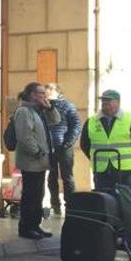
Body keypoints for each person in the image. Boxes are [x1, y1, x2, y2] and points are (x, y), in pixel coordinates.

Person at [80, 89, 131, 261]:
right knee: (104, 210)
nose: (105, 105)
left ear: (117, 102)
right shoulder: (93, 122)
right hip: (102, 171)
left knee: (128, 209)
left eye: (109, 101)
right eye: (103, 101)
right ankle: (104, 251)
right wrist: (99, 160)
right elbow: (85, 145)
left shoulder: (129, 119)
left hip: (125, 171)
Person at [11, 83, 53, 240]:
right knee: (30, 196)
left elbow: (56, 120)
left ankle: (35, 225)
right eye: (40, 93)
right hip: (31, 161)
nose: (43, 96)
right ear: (31, 94)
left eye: (44, 93)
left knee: (38, 195)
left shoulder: (39, 111)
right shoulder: (24, 111)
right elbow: (24, 136)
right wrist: (37, 152)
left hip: (41, 162)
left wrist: (49, 108)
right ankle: (27, 227)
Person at [45, 83, 81, 216]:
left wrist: (69, 142)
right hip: (48, 147)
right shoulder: (42, 106)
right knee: (51, 177)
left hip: (64, 146)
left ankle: (70, 205)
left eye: (50, 89)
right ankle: (55, 205)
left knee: (67, 177)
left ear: (57, 91)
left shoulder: (67, 106)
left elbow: (76, 125)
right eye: (45, 89)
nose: (47, 92)